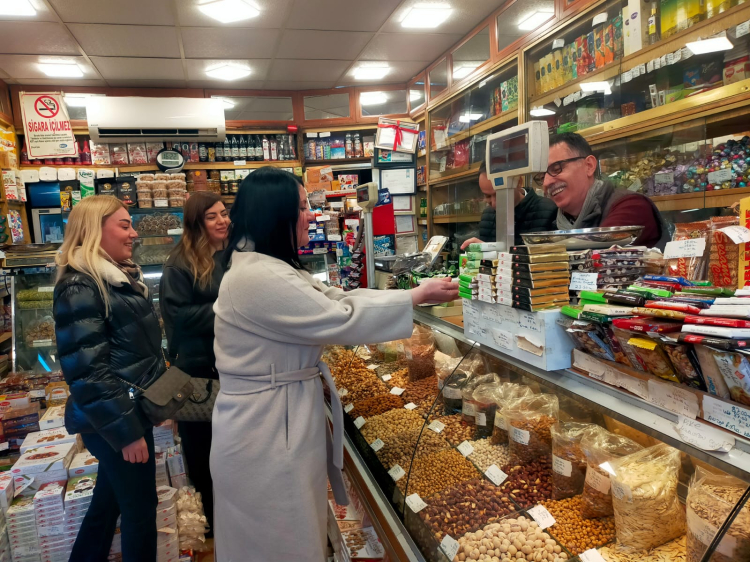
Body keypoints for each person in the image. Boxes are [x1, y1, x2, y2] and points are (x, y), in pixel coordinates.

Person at [211, 167, 458, 562]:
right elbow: (339, 317)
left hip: (273, 416)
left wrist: (412, 294)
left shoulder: (265, 266)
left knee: (286, 533)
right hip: (265, 428)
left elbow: (336, 298)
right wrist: (413, 297)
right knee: (276, 541)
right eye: (301, 207)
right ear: (275, 214)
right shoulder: (257, 276)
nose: (310, 215)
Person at [53, 195, 164, 562]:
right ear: (93, 230)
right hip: (116, 419)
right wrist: (127, 432)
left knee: (109, 500)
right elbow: (88, 371)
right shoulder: (81, 286)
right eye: (124, 225)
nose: (134, 233)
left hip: (123, 413)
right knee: (140, 512)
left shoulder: (115, 277)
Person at [160, 191, 230, 536]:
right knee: (202, 453)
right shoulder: (179, 263)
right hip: (197, 376)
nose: (223, 221)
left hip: (229, 368)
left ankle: (235, 519)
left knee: (231, 451)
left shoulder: (232, 254)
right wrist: (226, 310)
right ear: (196, 223)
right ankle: (213, 526)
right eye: (212, 216)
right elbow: (177, 318)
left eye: (224, 213)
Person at [540, 132, 670, 249]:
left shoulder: (631, 205)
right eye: (541, 177)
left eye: (556, 169)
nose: (546, 183)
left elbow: (596, 259)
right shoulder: (555, 222)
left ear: (589, 166)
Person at [461, 160, 558, 249]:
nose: (494, 204)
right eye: (488, 196)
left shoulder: (549, 211)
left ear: (518, 182)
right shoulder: (488, 216)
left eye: (500, 194)